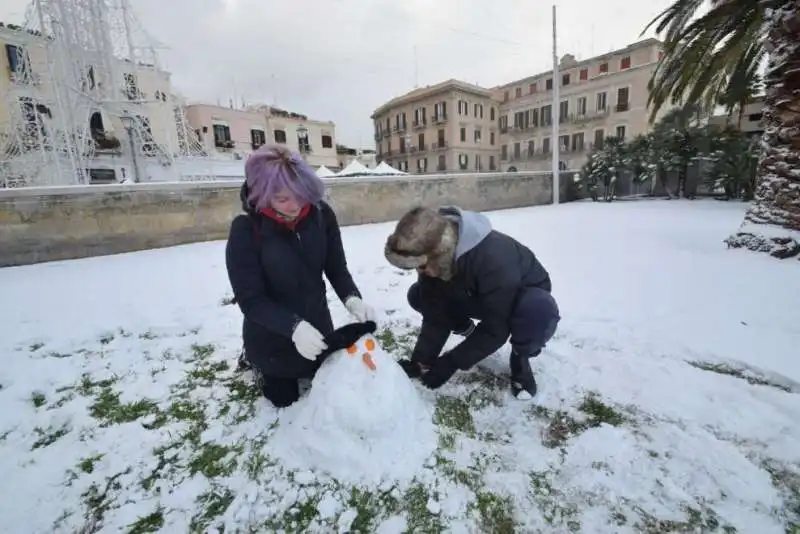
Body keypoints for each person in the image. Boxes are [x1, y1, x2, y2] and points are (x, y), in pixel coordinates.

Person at [225, 144, 375, 408]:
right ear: (261, 195)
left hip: (317, 325)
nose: (295, 205)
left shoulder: (320, 214)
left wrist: (352, 298)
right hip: (271, 336)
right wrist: (293, 327)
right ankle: (254, 360)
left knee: (329, 385)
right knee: (285, 400)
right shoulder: (246, 231)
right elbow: (251, 301)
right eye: (282, 199)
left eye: (300, 194)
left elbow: (336, 267)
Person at [384, 205, 559, 399]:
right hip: (477, 294)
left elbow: (497, 328)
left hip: (520, 299)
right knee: (419, 295)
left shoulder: (493, 259)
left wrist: (452, 362)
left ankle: (520, 356)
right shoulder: (435, 258)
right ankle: (467, 330)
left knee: (537, 310)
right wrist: (421, 361)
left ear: (440, 253)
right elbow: (435, 310)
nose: (421, 272)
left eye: (422, 266)